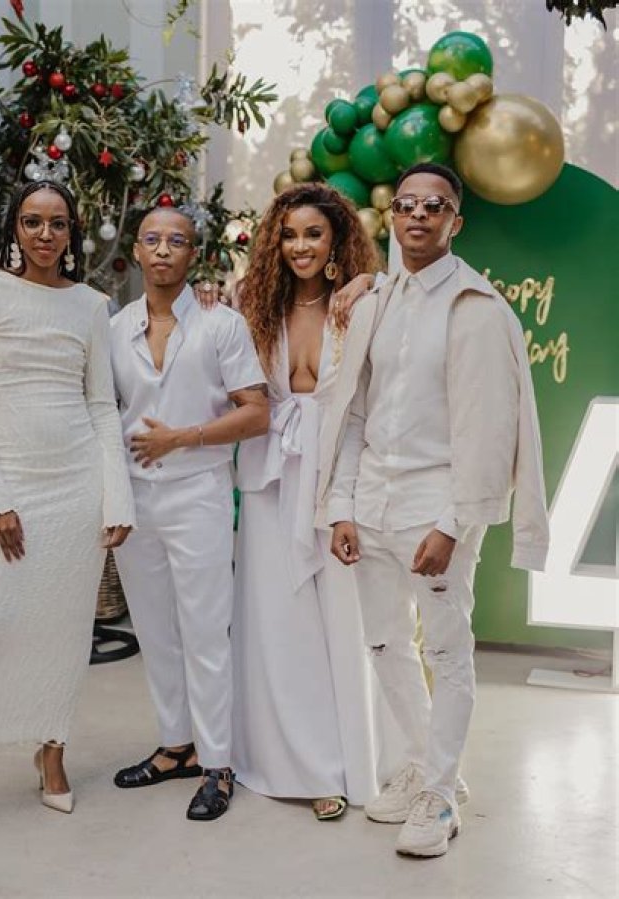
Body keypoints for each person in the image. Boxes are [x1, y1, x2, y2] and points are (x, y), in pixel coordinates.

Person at [319, 162, 549, 856]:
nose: (418, 214)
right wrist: (340, 505)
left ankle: (441, 797)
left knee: (446, 648)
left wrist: (453, 524)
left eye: (435, 205)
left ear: (456, 222)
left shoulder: (479, 309)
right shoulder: (375, 302)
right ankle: (426, 765)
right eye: (407, 204)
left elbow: (490, 431)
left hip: (436, 505)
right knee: (384, 642)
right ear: (392, 217)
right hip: (371, 500)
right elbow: (354, 412)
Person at [0, 180, 136, 839]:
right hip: (12, 484)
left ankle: (51, 750)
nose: (45, 234)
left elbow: (102, 406)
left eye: (57, 223)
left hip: (77, 487)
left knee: (64, 630)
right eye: (32, 221)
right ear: (14, 227)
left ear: (72, 232)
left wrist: (116, 492)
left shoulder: (90, 305)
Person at [231, 182, 385, 820]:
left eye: (314, 234)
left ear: (336, 241)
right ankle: (291, 763)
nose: (300, 246)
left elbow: (408, 303)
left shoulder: (362, 304)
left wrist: (372, 281)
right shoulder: (253, 305)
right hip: (272, 476)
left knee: (342, 623)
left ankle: (346, 763)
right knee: (276, 620)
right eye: (289, 235)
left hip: (336, 474)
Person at [110, 206, 269, 821]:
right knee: (155, 630)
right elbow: (100, 412)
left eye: (175, 240)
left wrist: (182, 438)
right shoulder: (115, 328)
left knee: (205, 632)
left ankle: (217, 762)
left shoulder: (221, 325)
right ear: (136, 249)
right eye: (151, 239)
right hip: (134, 499)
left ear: (192, 253)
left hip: (198, 492)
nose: (162, 249)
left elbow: (256, 412)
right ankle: (175, 746)